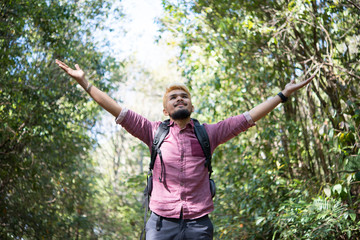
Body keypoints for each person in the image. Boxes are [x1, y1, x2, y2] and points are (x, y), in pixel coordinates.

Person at [55, 59, 315, 239]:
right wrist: (85, 83)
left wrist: (282, 95)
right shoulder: (152, 130)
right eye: (173, 97)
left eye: (184, 97)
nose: (180, 98)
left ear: (191, 106)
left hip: (199, 224)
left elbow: (247, 118)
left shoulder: (208, 134)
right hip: (159, 224)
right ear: (165, 110)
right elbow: (116, 109)